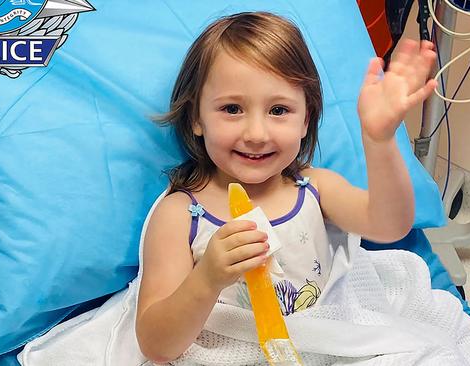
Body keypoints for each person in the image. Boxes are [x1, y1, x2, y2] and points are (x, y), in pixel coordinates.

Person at [135, 11, 437, 363]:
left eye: (279, 110)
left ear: (306, 120)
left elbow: (390, 225)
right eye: (232, 108)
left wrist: (379, 140)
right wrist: (206, 279)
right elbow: (156, 345)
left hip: (323, 347)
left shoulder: (314, 188)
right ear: (196, 119)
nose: (257, 134)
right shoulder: (180, 215)